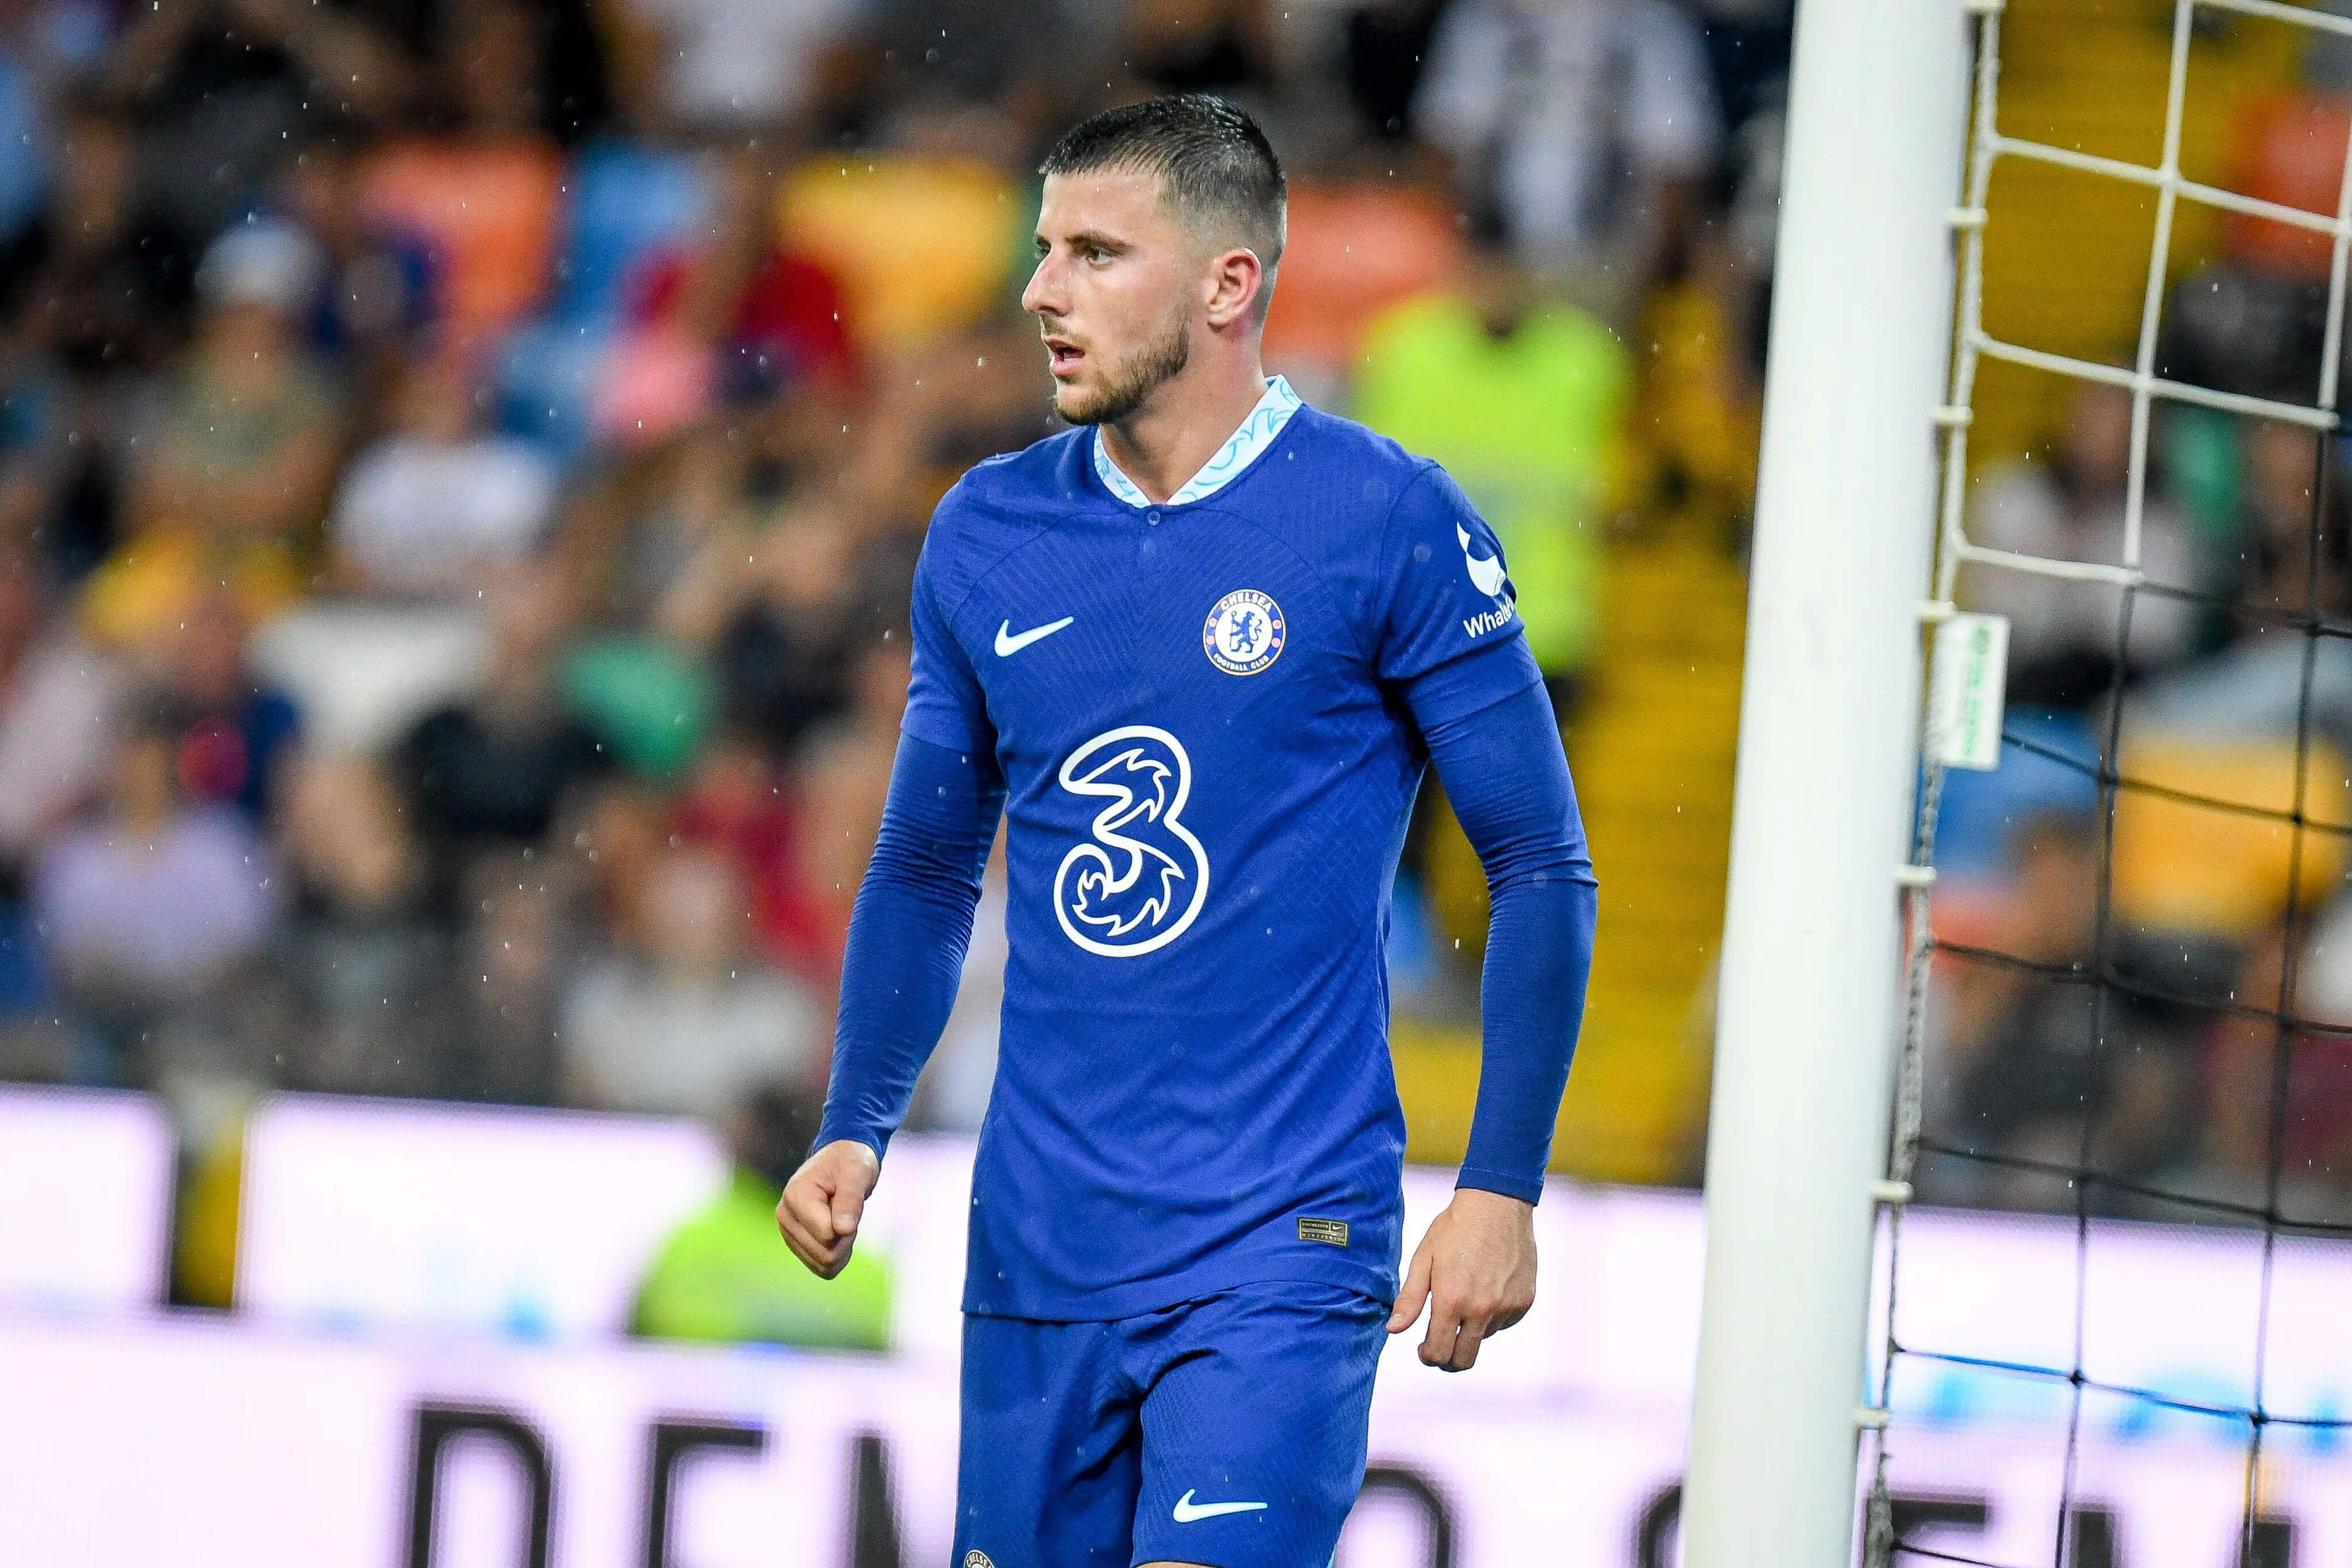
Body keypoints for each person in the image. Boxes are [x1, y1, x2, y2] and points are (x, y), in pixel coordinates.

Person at [775, 97, 1596, 1568]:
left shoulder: (1385, 518)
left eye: (1096, 253)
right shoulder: (987, 531)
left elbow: (1540, 864)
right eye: (1044, 250)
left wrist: (1501, 1184)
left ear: (1229, 284)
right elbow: (924, 865)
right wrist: (855, 1118)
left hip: (1280, 1242)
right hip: (1039, 1245)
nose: (1042, 290)